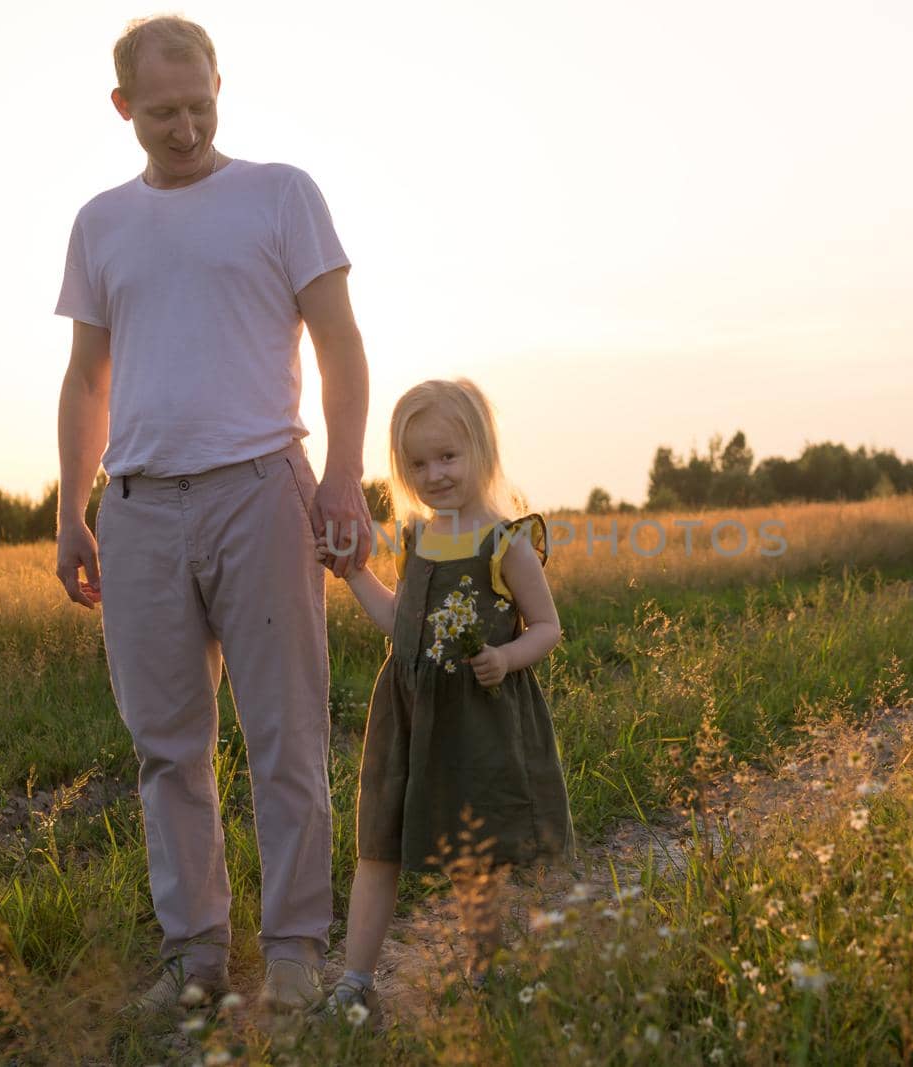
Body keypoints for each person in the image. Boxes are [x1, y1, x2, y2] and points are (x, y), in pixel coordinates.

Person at [52, 15, 373, 1016]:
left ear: (220, 87)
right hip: (140, 506)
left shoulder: (281, 194)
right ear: (123, 109)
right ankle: (195, 960)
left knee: (286, 737)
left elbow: (341, 349)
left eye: (199, 105)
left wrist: (346, 474)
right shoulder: (101, 222)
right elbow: (84, 380)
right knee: (167, 748)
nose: (184, 128)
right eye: (161, 113)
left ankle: (289, 955)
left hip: (260, 487)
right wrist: (71, 510)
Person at [315, 378, 574, 1024]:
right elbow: (400, 625)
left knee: (474, 851)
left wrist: (505, 658)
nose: (434, 474)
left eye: (447, 457)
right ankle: (355, 979)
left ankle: (485, 968)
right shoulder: (418, 537)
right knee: (378, 839)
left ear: (480, 449)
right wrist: (351, 573)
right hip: (407, 713)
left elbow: (548, 626)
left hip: (476, 716)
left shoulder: (504, 541)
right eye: (417, 463)